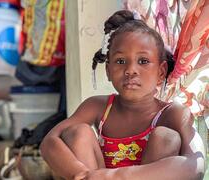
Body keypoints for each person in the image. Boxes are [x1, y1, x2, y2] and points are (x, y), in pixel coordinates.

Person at [40, 10, 206, 180]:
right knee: (78, 132)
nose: (131, 70)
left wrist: (117, 176)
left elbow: (196, 166)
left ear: (161, 71)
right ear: (108, 70)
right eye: (120, 61)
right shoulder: (98, 107)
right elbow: (49, 141)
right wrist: (81, 174)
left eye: (143, 61)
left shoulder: (172, 114)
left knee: (167, 137)